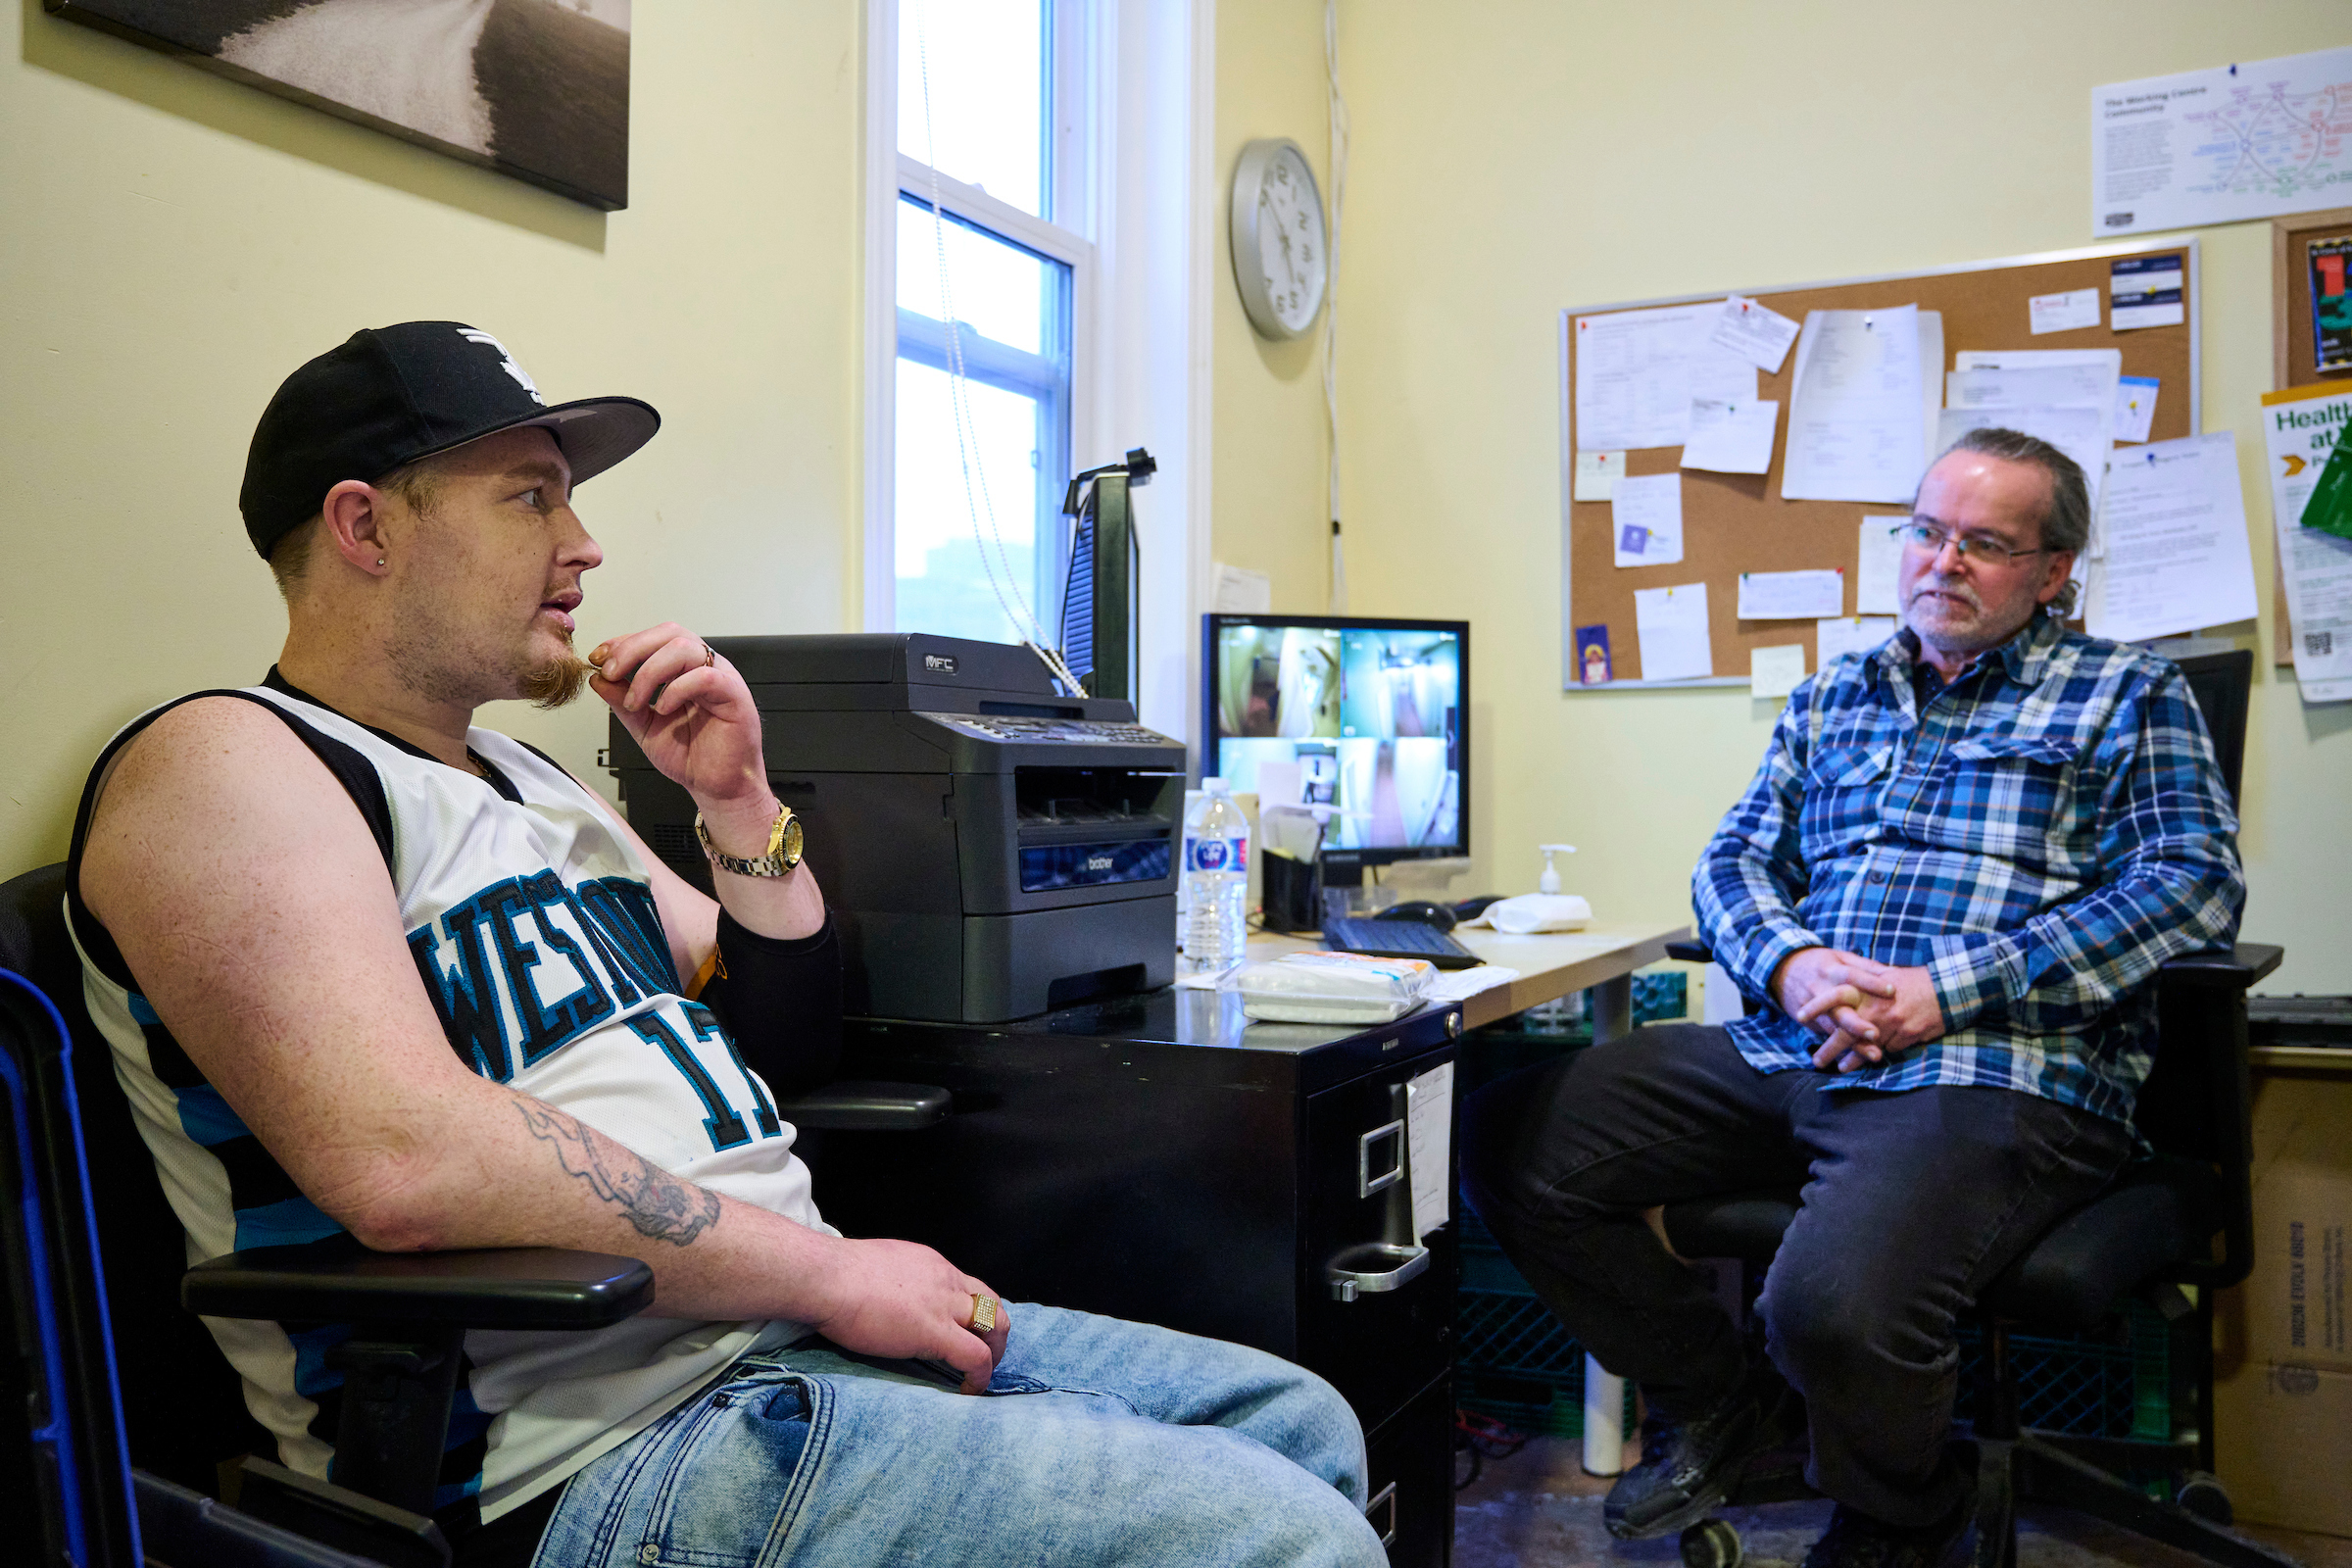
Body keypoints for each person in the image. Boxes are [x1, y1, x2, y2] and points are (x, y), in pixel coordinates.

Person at [69, 322, 1386, 1568]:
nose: (584, 545)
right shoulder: (227, 763)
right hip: (585, 1454)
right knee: (1288, 1538)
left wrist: (738, 803)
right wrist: (832, 1272)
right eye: (531, 497)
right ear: (364, 526)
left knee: (1303, 1425)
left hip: (774, 1347)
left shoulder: (536, 785)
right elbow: (400, 1162)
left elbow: (777, 1029)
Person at [1461, 427, 2242, 1568]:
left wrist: (1947, 989)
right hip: (1796, 1042)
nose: (1944, 561)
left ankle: (1901, 1512)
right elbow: (1731, 862)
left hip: (1995, 1069)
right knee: (1508, 1140)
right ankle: (1731, 1403)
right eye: (1927, 532)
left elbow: (2194, 884)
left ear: (2054, 570)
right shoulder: (1836, 695)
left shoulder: (2128, 693)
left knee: (1828, 1309)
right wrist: (1793, 966)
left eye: (1984, 542)